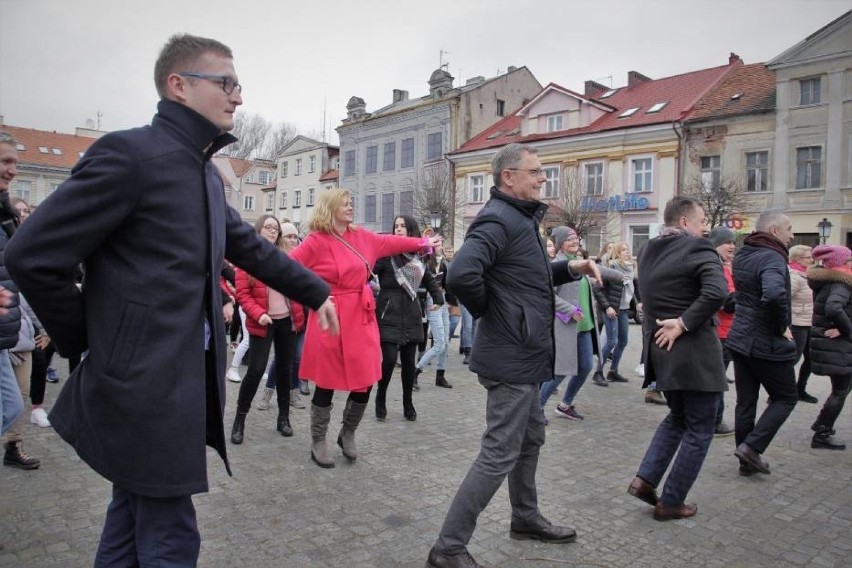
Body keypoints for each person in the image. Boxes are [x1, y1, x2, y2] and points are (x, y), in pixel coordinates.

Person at [5, 35, 338, 567]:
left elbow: (246, 244)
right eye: (225, 82)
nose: (238, 97)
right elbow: (31, 255)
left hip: (177, 378)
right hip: (144, 384)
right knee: (170, 538)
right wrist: (89, 340)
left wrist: (314, 289)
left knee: (130, 521)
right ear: (178, 86)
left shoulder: (202, 172)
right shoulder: (131, 155)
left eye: (239, 85)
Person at [425, 143, 601, 568]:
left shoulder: (520, 219)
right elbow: (463, 274)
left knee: (532, 437)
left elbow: (524, 277)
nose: (543, 178)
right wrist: (496, 312)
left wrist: (568, 268)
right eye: (536, 172)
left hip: (523, 353)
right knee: (499, 451)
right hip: (511, 354)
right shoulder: (498, 218)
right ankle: (448, 548)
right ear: (508, 177)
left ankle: (524, 516)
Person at [288, 188, 441, 468]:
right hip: (330, 315)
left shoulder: (362, 237)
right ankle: (318, 440)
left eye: (351, 203)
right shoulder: (315, 241)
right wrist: (312, 296)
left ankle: (347, 433)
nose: (351, 207)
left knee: (365, 378)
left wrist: (423, 241)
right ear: (329, 208)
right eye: (345, 204)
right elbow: (287, 268)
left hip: (361, 315)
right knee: (326, 381)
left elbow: (393, 242)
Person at [626, 196, 727, 521]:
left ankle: (645, 480)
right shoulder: (698, 248)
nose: (705, 230)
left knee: (678, 418)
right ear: (684, 222)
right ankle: (671, 502)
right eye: (701, 223)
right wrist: (683, 323)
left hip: (663, 351)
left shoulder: (649, 250)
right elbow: (716, 292)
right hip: (694, 351)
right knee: (700, 427)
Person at [726, 210, 797, 476]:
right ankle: (751, 448)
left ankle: (746, 460)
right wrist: (781, 327)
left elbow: (744, 294)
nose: (792, 235)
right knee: (786, 398)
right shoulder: (772, 256)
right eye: (789, 228)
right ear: (774, 231)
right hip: (764, 341)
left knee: (746, 402)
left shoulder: (745, 253)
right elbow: (775, 294)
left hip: (740, 339)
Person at [230, 216, 305, 443]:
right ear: (259, 230)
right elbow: (242, 293)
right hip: (262, 321)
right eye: (268, 227)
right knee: (255, 370)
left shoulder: (288, 256)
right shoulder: (248, 258)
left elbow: (300, 283)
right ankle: (239, 419)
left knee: (284, 369)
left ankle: (284, 418)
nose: (272, 231)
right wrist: (258, 313)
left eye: (275, 229)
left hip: (287, 321)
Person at [539, 226, 621, 421]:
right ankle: (536, 407)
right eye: (570, 239)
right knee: (561, 371)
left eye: (576, 238)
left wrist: (621, 276)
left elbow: (599, 270)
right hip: (564, 325)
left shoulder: (579, 262)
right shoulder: (557, 265)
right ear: (560, 244)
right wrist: (570, 310)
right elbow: (547, 295)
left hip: (584, 327)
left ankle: (565, 404)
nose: (575, 241)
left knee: (585, 366)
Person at [374, 215, 443, 422]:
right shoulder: (386, 256)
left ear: (410, 230)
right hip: (388, 311)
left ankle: (407, 402)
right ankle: (381, 397)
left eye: (403, 226)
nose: (399, 229)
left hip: (411, 312)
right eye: (396, 226)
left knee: (408, 363)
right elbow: (368, 271)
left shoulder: (417, 257)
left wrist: (438, 297)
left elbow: (429, 279)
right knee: (387, 360)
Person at [806, 245, 851, 450]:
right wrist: (847, 330)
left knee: (842, 388)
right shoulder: (841, 283)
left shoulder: (829, 281)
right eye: (849, 259)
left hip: (835, 346)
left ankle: (822, 424)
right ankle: (822, 433)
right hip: (838, 347)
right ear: (841, 263)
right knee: (840, 390)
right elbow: (834, 308)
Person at [0, 132, 23, 441]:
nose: (13, 170)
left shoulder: (7, 216)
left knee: (11, 406)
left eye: (15, 163)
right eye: (5, 161)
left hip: (4, 333)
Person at [591, 242, 639, 385]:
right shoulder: (611, 267)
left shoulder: (631, 269)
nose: (626, 252)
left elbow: (633, 289)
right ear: (617, 253)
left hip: (623, 309)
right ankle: (598, 372)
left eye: (627, 250)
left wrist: (639, 303)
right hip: (612, 309)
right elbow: (597, 289)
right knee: (612, 340)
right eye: (623, 250)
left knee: (623, 341)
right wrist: (607, 307)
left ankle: (613, 371)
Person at [706, 226, 736, 437]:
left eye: (734, 242)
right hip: (720, 332)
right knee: (717, 379)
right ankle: (715, 421)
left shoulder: (723, 267)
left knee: (717, 378)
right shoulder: (716, 268)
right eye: (728, 242)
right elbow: (726, 302)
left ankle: (713, 419)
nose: (732, 246)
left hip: (726, 331)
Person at [415, 241, 454, 389]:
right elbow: (418, 286)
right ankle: (416, 371)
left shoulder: (443, 263)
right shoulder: (423, 264)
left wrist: (449, 299)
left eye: (441, 244)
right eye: (438, 244)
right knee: (439, 344)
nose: (441, 247)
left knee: (446, 342)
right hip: (431, 302)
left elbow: (446, 284)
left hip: (442, 301)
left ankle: (440, 376)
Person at [788, 245, 817, 403]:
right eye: (808, 257)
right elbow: (784, 299)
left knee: (811, 358)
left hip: (809, 322)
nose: (812, 260)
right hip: (797, 322)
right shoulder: (793, 275)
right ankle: (780, 393)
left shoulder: (808, 274)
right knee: (794, 359)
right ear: (797, 259)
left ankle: (800, 389)